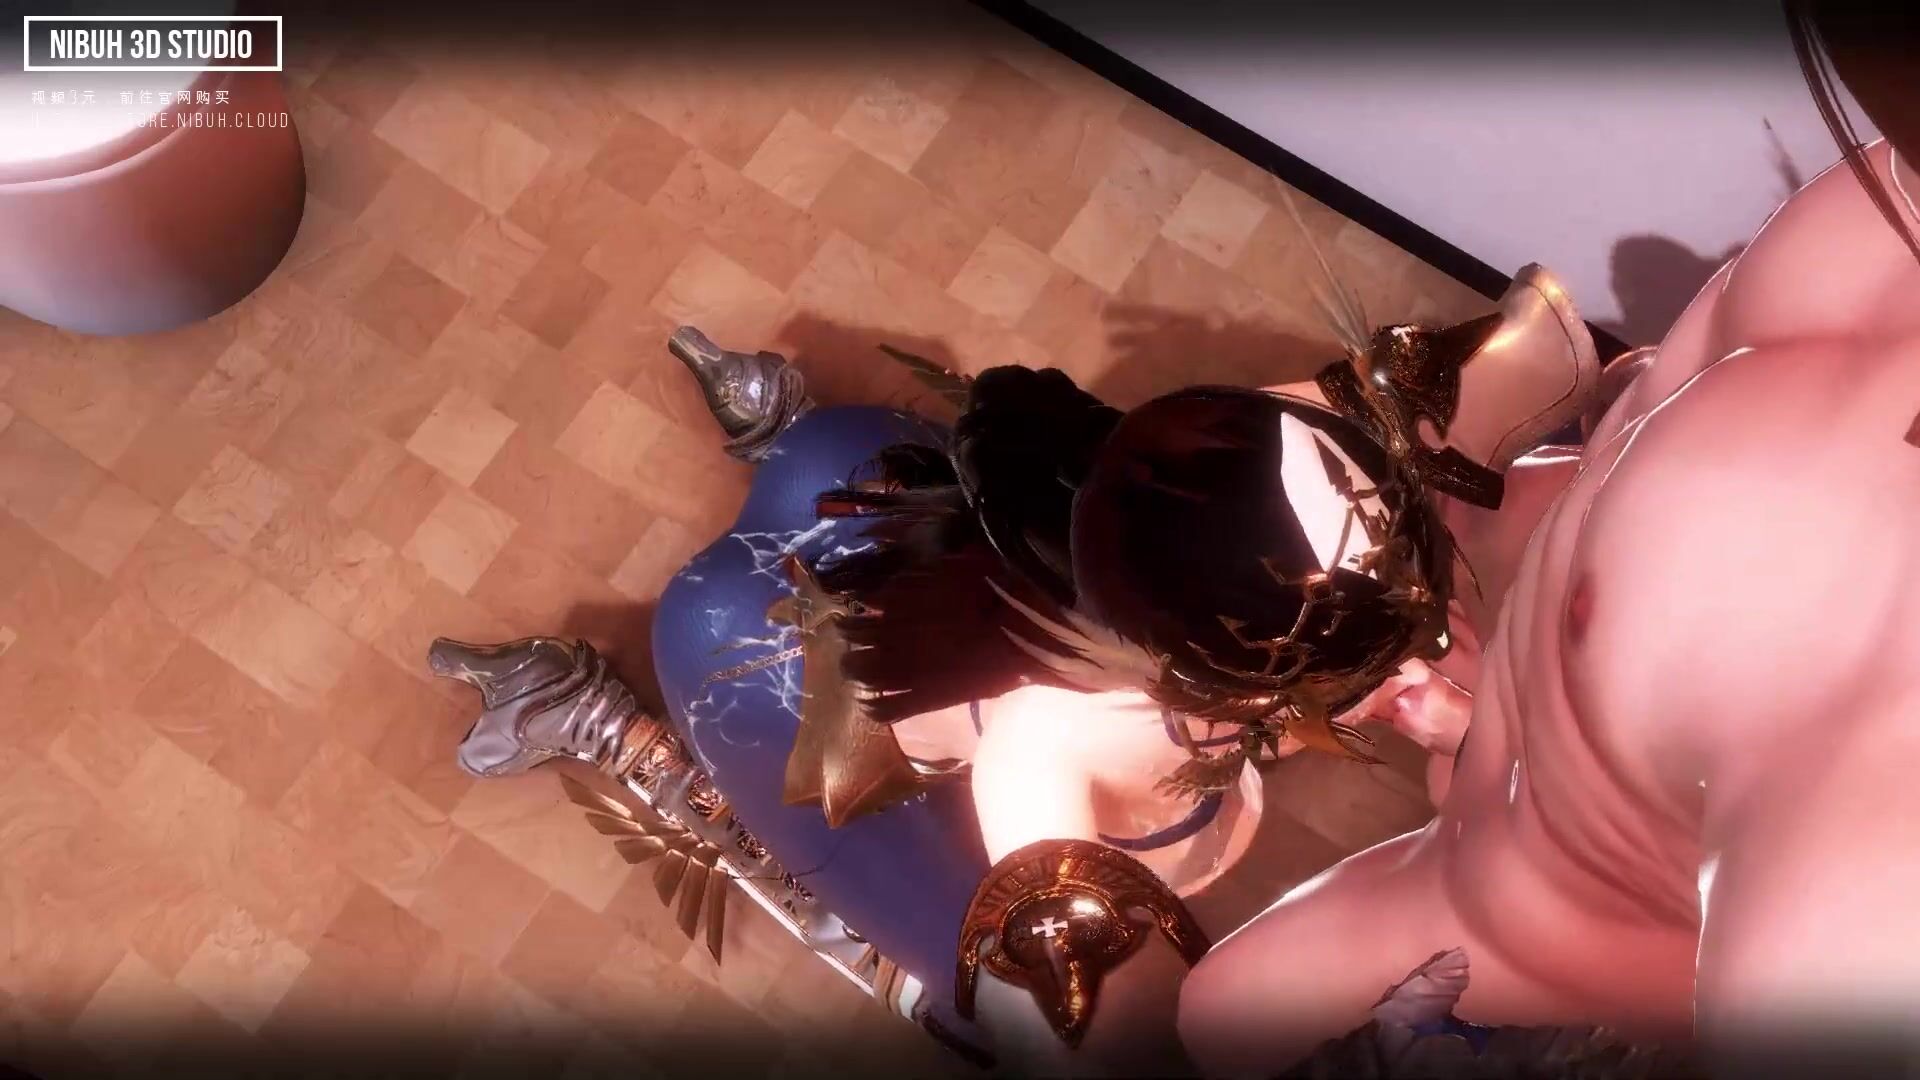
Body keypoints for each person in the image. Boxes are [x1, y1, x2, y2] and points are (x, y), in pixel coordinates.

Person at [1176, 5, 1920, 1075]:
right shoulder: (1875, 192)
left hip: (1527, 924)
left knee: (1220, 1016)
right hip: (1483, 846)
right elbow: (1629, 449)